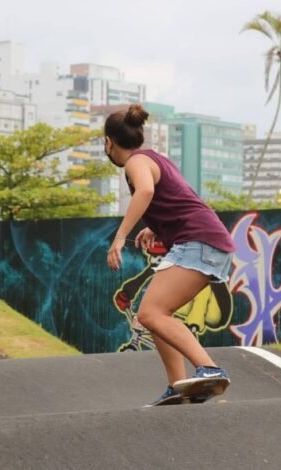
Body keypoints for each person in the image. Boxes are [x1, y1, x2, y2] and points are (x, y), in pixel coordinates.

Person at [104, 104, 236, 406]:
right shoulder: (154, 158)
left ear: (108, 142)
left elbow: (146, 192)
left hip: (198, 242)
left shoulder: (135, 163)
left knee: (150, 313)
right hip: (204, 240)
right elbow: (179, 199)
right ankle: (177, 384)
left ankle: (209, 368)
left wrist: (120, 237)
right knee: (154, 315)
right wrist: (156, 227)